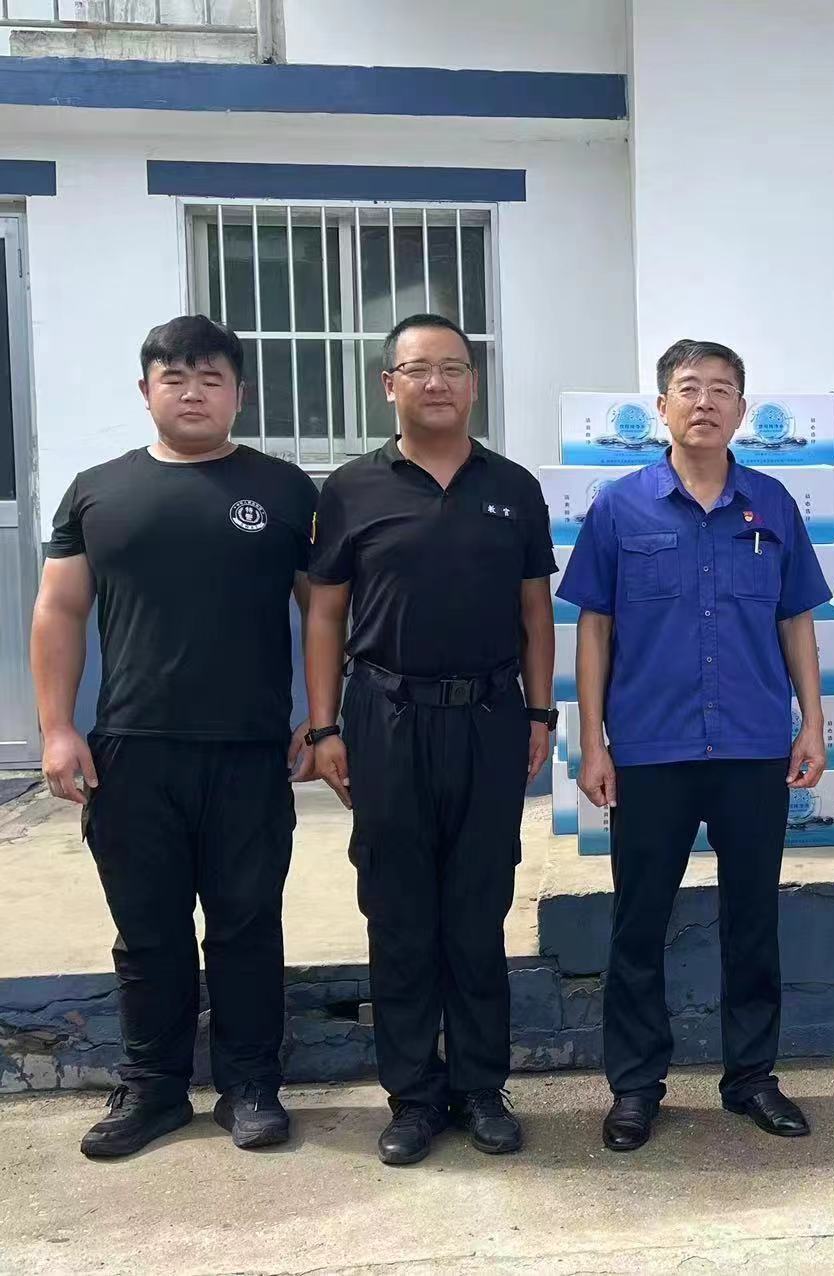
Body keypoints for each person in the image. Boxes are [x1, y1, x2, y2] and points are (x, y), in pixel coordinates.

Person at [30, 315, 317, 1158]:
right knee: (148, 928)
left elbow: (325, 612)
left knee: (246, 925)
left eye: (211, 378)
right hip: (131, 749)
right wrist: (57, 728)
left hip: (249, 750)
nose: (193, 393)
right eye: (175, 377)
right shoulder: (97, 492)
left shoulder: (285, 490)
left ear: (239, 394)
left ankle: (251, 1086)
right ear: (145, 389)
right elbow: (59, 610)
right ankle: (153, 1089)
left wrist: (322, 714)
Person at [559, 338, 830, 1153]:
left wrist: (814, 723)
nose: (705, 402)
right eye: (688, 388)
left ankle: (752, 1078)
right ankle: (636, 1086)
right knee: (639, 924)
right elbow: (594, 629)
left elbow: (796, 621)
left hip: (751, 747)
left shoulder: (773, 504)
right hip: (651, 748)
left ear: (742, 409)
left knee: (753, 922)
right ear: (661, 407)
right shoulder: (619, 507)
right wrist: (593, 742)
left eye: (721, 389)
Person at [304, 313, 555, 1166]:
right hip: (384, 717)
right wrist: (325, 726)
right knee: (399, 909)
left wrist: (539, 715)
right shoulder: (351, 489)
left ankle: (481, 1088)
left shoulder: (512, 486)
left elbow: (534, 611)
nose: (437, 382)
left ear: (474, 384)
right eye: (419, 369)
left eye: (453, 367)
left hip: (488, 717)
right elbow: (326, 615)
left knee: (478, 908)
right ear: (390, 385)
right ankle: (413, 1096)